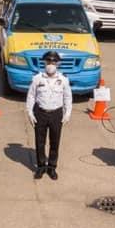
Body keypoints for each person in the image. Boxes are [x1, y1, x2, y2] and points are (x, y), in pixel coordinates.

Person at [25, 51, 72, 180]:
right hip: (41, 113)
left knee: (55, 142)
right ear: (44, 63)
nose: (50, 64)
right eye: (48, 62)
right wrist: (30, 112)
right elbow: (31, 96)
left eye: (53, 62)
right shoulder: (37, 78)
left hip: (56, 114)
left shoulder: (63, 79)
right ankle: (41, 167)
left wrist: (67, 113)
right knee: (40, 142)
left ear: (57, 64)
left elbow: (67, 97)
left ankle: (52, 167)